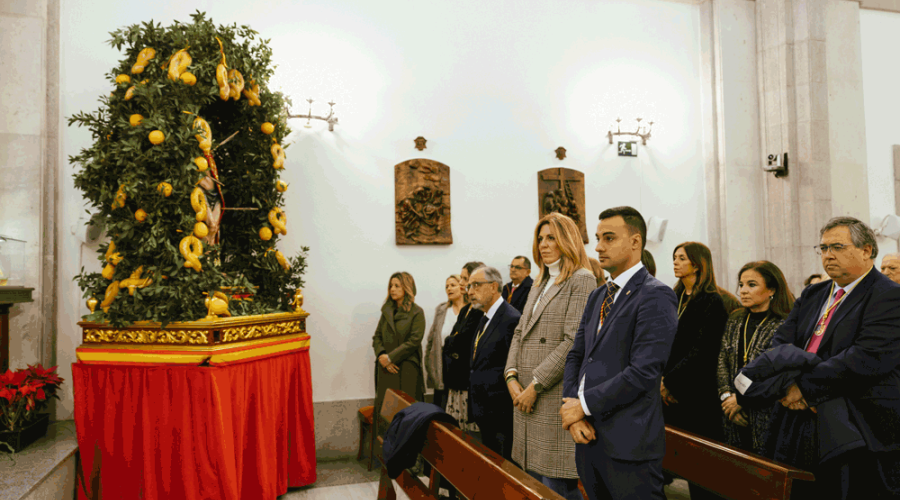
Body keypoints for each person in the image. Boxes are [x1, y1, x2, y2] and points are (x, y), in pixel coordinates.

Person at [764, 217, 900, 498]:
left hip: (855, 421)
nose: (828, 255)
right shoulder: (813, 293)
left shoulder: (888, 296)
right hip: (798, 414)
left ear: (866, 250)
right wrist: (789, 384)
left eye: (837, 247)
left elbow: (866, 357)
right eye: (823, 248)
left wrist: (802, 387)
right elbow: (780, 342)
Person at [561, 206, 678, 500]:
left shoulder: (655, 295)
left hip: (629, 444)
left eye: (609, 238)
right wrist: (574, 412)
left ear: (635, 242)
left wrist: (582, 405)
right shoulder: (598, 295)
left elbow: (643, 372)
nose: (598, 246)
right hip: (588, 436)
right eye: (598, 238)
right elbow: (577, 355)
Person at [504, 213, 595, 500]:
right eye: (540, 238)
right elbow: (519, 332)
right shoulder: (541, 280)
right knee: (533, 483)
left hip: (551, 394)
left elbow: (572, 342)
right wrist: (511, 377)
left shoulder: (582, 280)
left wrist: (534, 385)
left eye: (551, 237)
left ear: (567, 240)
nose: (543, 244)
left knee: (556, 484)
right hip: (525, 396)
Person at [662, 241, 729, 500]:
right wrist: (661, 380)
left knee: (701, 468)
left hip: (696, 394)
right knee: (673, 459)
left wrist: (671, 382)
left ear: (698, 264)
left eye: (682, 258)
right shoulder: (672, 296)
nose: (676, 262)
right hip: (668, 388)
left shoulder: (712, 302)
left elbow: (704, 351)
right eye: (674, 257)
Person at [717, 261, 795, 455]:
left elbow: (774, 374)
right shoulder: (735, 318)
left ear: (771, 289)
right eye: (741, 285)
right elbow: (722, 362)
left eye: (752, 285)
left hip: (765, 413)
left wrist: (742, 401)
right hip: (731, 411)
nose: (743, 291)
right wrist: (727, 398)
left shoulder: (783, 324)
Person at [466, 266, 521, 459]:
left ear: (494, 286)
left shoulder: (511, 319)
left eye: (476, 285)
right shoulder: (485, 317)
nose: (470, 292)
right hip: (484, 409)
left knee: (503, 466)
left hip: (500, 413)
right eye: (469, 287)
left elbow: (513, 365)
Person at [372, 272, 426, 423]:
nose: (392, 289)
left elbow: (414, 341)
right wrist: (382, 356)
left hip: (407, 369)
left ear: (407, 288)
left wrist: (390, 358)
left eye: (397, 286)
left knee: (407, 413)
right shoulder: (386, 310)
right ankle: (384, 445)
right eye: (391, 286)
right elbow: (377, 337)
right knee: (385, 413)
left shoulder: (417, 312)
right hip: (385, 369)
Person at [441, 262, 485, 432]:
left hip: (467, 381)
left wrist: (453, 342)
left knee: (469, 434)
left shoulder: (479, 310)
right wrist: (453, 342)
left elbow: (463, 341)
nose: (460, 283)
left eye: (464, 279)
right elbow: (449, 341)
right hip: (455, 379)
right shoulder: (466, 308)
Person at [424, 274, 466, 410]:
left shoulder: (472, 310)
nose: (449, 289)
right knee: (441, 406)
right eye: (446, 286)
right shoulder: (442, 310)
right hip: (442, 365)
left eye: (453, 285)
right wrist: (429, 364)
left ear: (462, 287)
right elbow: (431, 340)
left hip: (462, 366)